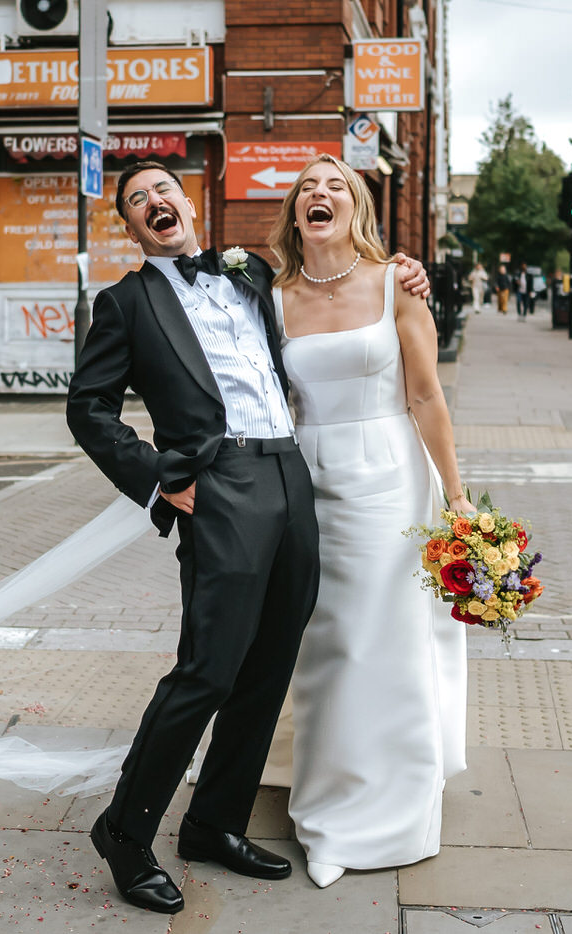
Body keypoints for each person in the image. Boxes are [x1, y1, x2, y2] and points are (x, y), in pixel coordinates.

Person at [66, 160, 427, 915]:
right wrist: (160, 476)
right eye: (136, 201)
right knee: (208, 669)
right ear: (130, 227)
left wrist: (405, 272)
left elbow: (327, 284)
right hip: (220, 485)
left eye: (161, 189)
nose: (152, 202)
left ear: (186, 201)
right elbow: (89, 409)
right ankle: (125, 833)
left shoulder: (251, 274)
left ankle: (214, 823)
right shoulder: (126, 304)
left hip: (292, 475)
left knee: (270, 665)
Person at [267, 153, 471, 888]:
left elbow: (426, 398)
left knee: (383, 639)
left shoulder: (396, 285)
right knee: (326, 643)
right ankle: (326, 806)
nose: (320, 196)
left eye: (336, 188)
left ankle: (396, 808)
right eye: (307, 190)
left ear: (358, 208)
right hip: (308, 479)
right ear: (296, 213)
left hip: (389, 476)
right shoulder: (271, 296)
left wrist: (457, 496)